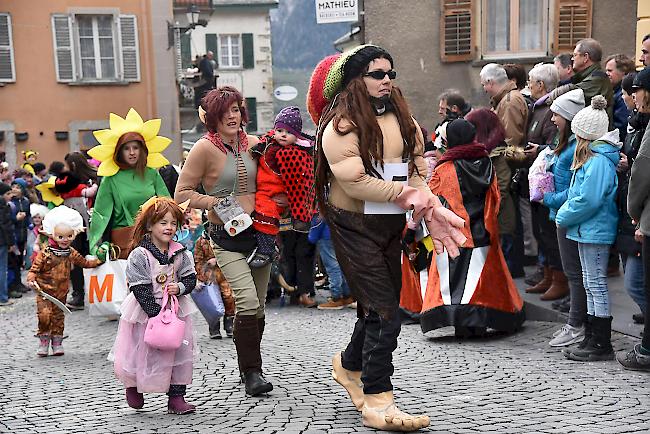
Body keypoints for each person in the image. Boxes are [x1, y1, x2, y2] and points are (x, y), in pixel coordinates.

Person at [309, 45, 465, 431]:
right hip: (352, 227)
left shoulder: (402, 117)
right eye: (377, 74)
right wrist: (410, 196)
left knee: (376, 308)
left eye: (390, 73)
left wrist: (426, 202)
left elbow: (416, 166)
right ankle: (378, 400)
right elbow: (355, 181)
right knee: (385, 314)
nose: (387, 80)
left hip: (389, 227)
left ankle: (349, 366)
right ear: (355, 80)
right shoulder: (339, 125)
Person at [175, 86, 275, 397]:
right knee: (245, 301)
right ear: (213, 118)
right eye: (224, 112)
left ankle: (248, 362)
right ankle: (252, 372)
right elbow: (182, 194)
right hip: (225, 237)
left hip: (260, 235)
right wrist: (215, 202)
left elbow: (271, 183)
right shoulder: (203, 149)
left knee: (258, 307)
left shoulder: (256, 144)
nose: (232, 117)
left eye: (235, 110)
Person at [422, 119, 525, 337]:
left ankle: (461, 325)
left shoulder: (446, 168)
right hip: (483, 232)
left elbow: (437, 201)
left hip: (454, 234)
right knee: (480, 280)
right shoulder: (486, 163)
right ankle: (479, 323)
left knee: (454, 281)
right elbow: (495, 198)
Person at [109, 197, 198, 414]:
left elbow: (190, 278)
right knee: (141, 348)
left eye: (173, 223)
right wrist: (155, 314)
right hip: (145, 309)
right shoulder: (140, 254)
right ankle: (133, 385)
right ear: (149, 225)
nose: (169, 228)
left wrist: (181, 287)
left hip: (175, 310)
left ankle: (176, 396)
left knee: (178, 350)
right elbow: (139, 287)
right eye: (163, 222)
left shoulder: (181, 253)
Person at [556, 95, 620, 362]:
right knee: (589, 282)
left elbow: (589, 198)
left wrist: (564, 214)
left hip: (594, 228)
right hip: (587, 229)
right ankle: (592, 336)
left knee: (595, 283)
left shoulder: (597, 161)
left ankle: (600, 341)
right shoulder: (593, 158)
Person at [88, 108, 171, 259]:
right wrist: (97, 246)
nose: (132, 152)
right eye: (126, 148)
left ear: (142, 150)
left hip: (154, 239)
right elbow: (100, 214)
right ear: (119, 151)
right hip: (124, 243)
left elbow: (167, 204)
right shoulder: (110, 178)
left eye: (135, 148)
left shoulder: (152, 173)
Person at [540, 89, 587, 347]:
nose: (552, 118)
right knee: (575, 273)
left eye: (557, 114)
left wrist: (549, 198)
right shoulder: (564, 142)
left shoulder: (575, 147)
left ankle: (576, 324)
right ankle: (578, 321)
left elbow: (575, 187)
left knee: (575, 274)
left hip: (566, 213)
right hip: (561, 212)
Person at [27, 206, 101, 356]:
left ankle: (56, 342)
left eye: (68, 236)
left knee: (58, 317)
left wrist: (99, 261)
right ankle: (43, 341)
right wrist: (31, 279)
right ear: (52, 235)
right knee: (44, 315)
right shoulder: (45, 253)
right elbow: (34, 269)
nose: (65, 240)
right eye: (61, 237)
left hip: (61, 293)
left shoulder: (71, 253)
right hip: (44, 292)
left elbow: (84, 263)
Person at [248, 106, 315, 270]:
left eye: (289, 132)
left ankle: (266, 250)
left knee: (267, 212)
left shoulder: (298, 153)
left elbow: (301, 183)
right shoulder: (267, 143)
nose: (283, 135)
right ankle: (265, 247)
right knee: (261, 211)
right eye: (280, 130)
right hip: (263, 189)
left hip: (279, 193)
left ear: (297, 136)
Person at [524, 63, 569, 301]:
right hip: (537, 181)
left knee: (550, 234)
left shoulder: (550, 112)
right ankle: (549, 275)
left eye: (530, 81)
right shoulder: (539, 109)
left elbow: (555, 146)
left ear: (541, 85)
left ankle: (559, 279)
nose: (528, 85)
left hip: (549, 183)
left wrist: (538, 150)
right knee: (542, 233)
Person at [480, 63, 529, 277]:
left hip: (508, 169)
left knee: (510, 222)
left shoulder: (509, 102)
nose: (484, 89)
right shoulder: (506, 100)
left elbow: (510, 142)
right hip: (508, 168)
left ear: (491, 83)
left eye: (484, 85)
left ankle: (512, 267)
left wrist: (495, 160)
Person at [618, 67, 650, 371]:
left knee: (639, 283)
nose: (632, 97)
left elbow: (642, 171)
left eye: (636, 90)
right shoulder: (639, 123)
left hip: (645, 217)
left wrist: (636, 214)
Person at [55, 152, 98, 310]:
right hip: (77, 225)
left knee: (92, 256)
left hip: (91, 222)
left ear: (72, 165)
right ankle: (79, 294)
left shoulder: (93, 177)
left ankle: (92, 293)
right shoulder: (74, 180)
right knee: (77, 257)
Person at [551, 38, 613, 120]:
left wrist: (551, 95)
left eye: (575, 55)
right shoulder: (585, 76)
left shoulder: (598, 77)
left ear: (585, 57)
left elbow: (576, 93)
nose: (572, 59)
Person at [193, 230, 235, 338]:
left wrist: (218, 259)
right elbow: (198, 260)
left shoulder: (224, 237)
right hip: (209, 276)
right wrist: (200, 278)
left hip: (225, 274)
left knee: (229, 298)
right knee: (212, 301)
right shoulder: (201, 241)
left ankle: (229, 324)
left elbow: (231, 253)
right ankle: (214, 327)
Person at [308, 214, 354, 309]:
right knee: (342, 265)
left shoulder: (321, 204)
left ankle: (336, 298)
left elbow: (318, 222)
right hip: (340, 235)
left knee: (332, 267)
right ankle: (347, 295)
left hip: (326, 237)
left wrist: (311, 237)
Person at [8, 178, 31, 297]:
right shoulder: (10, 202)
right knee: (13, 261)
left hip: (23, 234)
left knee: (20, 260)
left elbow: (29, 216)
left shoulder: (26, 201)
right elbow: (7, 219)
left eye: (17, 187)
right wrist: (15, 218)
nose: (14, 190)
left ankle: (19, 282)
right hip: (14, 235)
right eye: (13, 187)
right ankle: (13, 285)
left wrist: (30, 223)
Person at [605, 54, 635, 142]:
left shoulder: (625, 94)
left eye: (610, 70)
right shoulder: (614, 91)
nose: (607, 74)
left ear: (624, 72)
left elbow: (621, 125)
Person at [0, 183, 16, 306]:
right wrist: (11, 243)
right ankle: (3, 297)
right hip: (2, 241)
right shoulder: (3, 206)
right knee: (2, 269)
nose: (11, 196)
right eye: (8, 193)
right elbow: (6, 226)